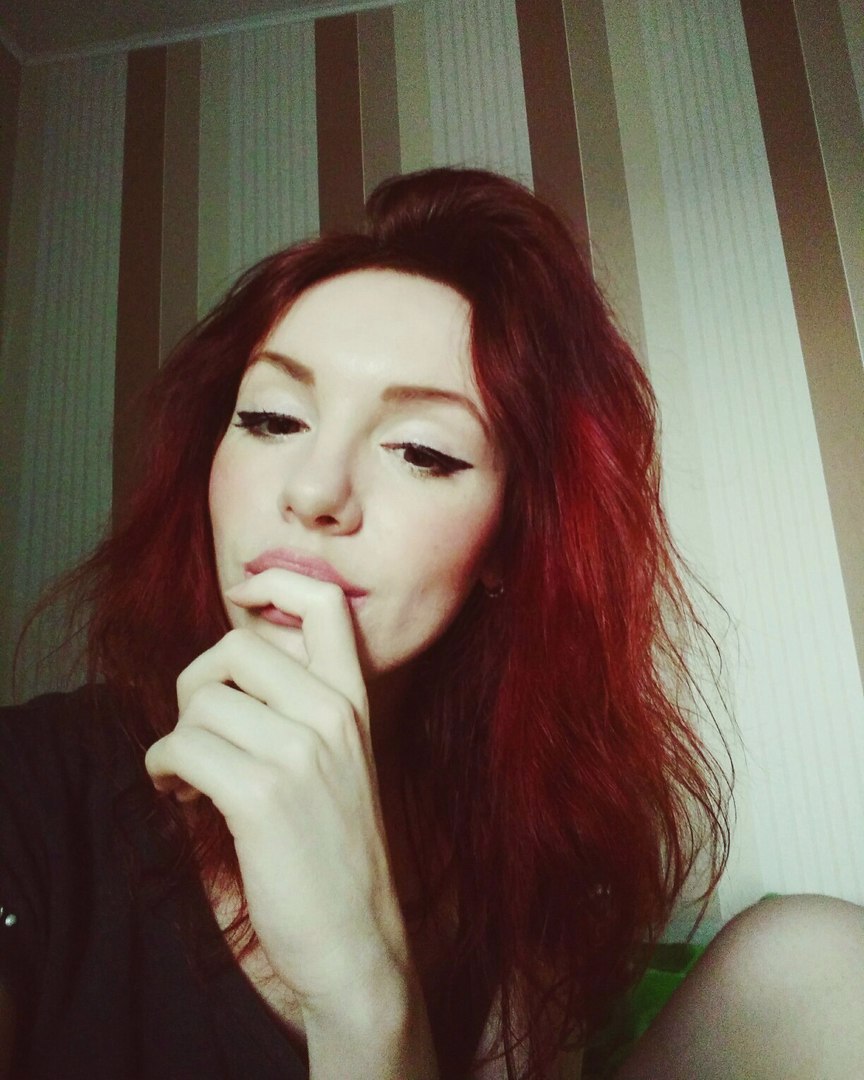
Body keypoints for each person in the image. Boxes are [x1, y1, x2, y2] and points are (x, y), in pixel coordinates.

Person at [1, 167, 861, 1080]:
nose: (314, 490)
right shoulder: (30, 790)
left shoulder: (524, 834)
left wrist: (363, 994)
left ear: (510, 543)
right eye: (272, 418)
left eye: (421, 450)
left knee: (817, 966)